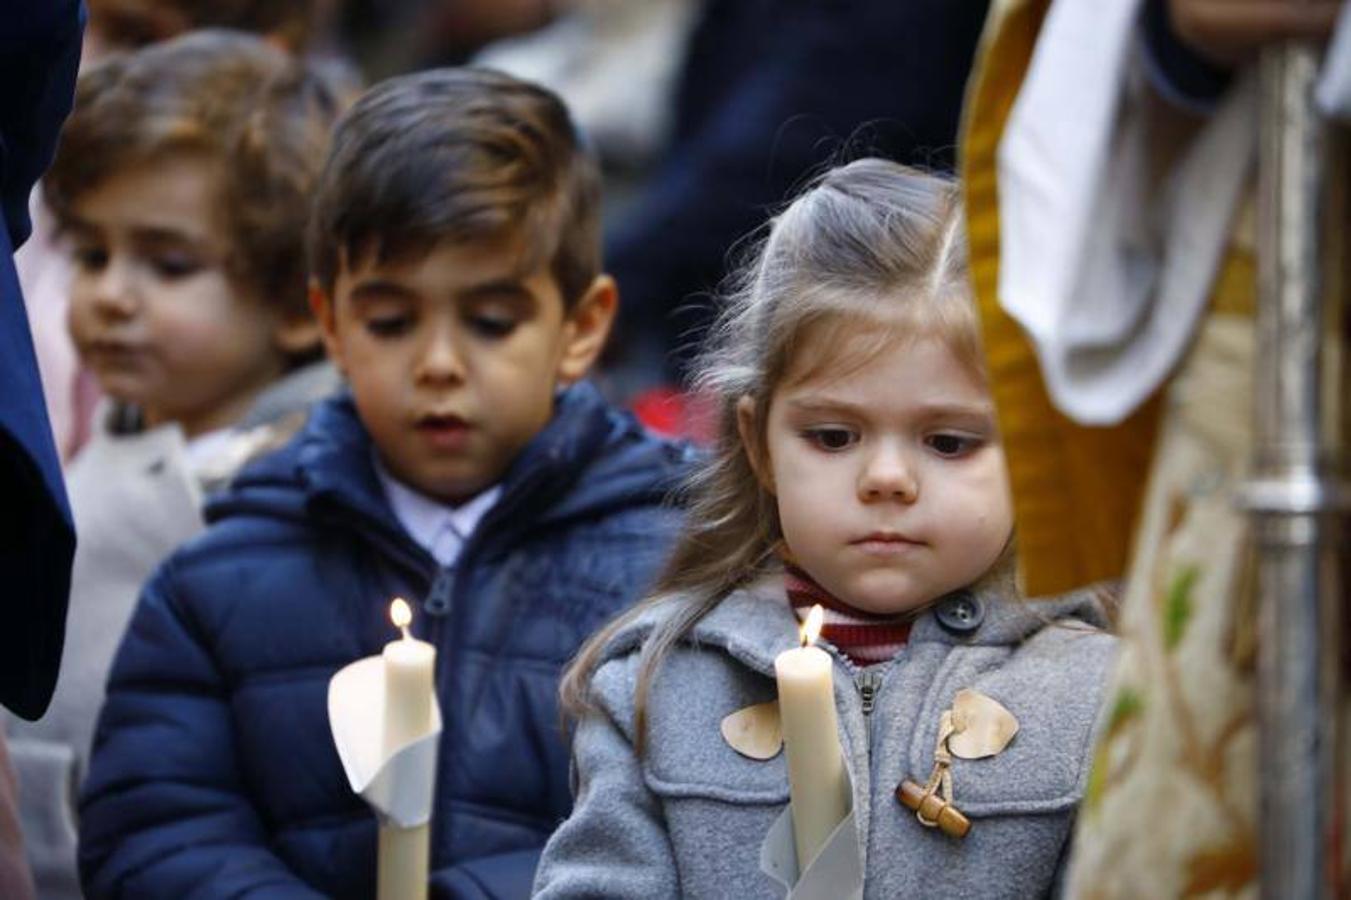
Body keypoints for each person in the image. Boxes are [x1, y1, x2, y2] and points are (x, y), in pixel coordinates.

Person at [78, 67, 690, 898]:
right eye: (391, 321)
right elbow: (154, 828)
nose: (437, 365)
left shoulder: (675, 561)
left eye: (490, 321)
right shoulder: (222, 571)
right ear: (330, 323)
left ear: (580, 327)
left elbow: (690, 823)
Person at [532, 160, 1118, 898]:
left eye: (947, 443)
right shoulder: (654, 687)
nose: (886, 479)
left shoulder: (1098, 692)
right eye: (835, 436)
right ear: (758, 444)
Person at [4, 30, 347, 900]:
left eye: (168, 263)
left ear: (299, 304)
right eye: (90, 253)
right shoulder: (115, 439)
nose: (113, 295)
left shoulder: (301, 496)